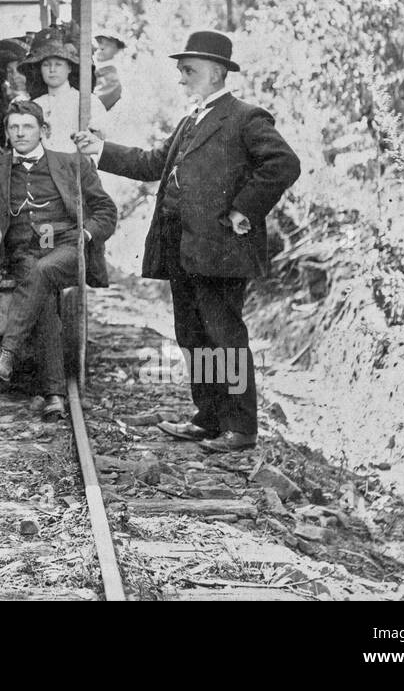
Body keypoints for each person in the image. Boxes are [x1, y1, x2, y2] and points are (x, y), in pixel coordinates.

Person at [75, 30, 301, 453]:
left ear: (216, 73)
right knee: (193, 336)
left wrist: (243, 209)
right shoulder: (190, 120)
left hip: (222, 251)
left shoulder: (246, 117)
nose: (181, 78)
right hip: (183, 249)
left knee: (225, 337)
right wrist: (99, 149)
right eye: (181, 70)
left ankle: (241, 428)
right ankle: (208, 417)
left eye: (189, 70)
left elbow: (284, 164)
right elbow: (152, 164)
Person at [0, 99, 119, 421]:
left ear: (43, 131)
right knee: (40, 293)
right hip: (23, 252)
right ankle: (54, 395)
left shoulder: (73, 164)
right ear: (7, 132)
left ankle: (7, 355)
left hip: (68, 246)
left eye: (27, 127)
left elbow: (106, 210)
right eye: (13, 127)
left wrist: (86, 235)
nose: (19, 133)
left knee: (42, 272)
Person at [20, 35, 115, 155]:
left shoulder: (88, 101)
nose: (52, 70)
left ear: (69, 67)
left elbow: (102, 140)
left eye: (58, 64)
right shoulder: (35, 105)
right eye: (46, 65)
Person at [94, 33, 126, 112]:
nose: (101, 47)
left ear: (116, 50)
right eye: (99, 43)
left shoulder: (112, 79)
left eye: (107, 44)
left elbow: (95, 106)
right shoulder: (94, 69)